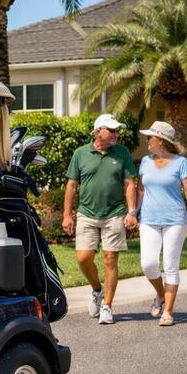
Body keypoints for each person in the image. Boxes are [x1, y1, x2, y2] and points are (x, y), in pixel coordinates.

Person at [62, 114, 138, 325]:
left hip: (115, 213)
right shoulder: (80, 153)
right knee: (83, 258)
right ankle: (97, 289)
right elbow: (71, 186)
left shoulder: (122, 153)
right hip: (86, 213)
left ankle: (107, 306)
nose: (116, 134)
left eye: (117, 130)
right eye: (111, 130)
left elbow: (130, 184)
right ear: (98, 131)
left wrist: (132, 212)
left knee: (110, 259)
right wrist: (67, 215)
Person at [135, 121, 187, 326]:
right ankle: (161, 294)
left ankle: (168, 312)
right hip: (149, 219)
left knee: (170, 265)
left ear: (161, 140)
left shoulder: (180, 162)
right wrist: (134, 213)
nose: (147, 140)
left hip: (175, 220)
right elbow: (141, 190)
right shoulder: (145, 161)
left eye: (150, 137)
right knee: (148, 264)